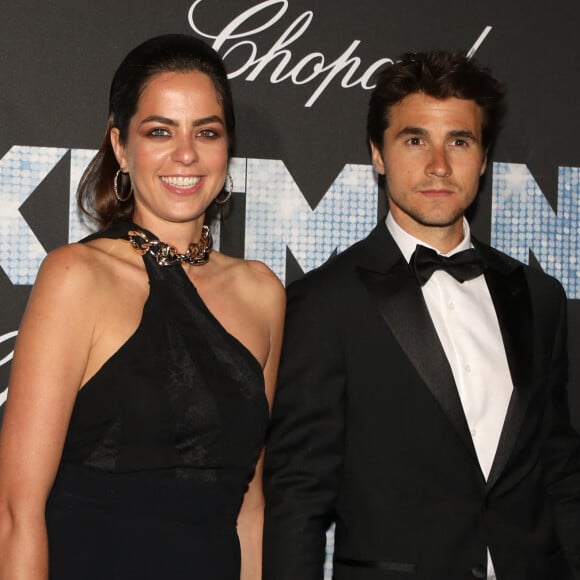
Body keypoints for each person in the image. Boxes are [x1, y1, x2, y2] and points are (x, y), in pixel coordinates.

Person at [263, 50, 580, 580]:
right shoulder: (326, 303)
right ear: (378, 155)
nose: (438, 165)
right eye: (415, 140)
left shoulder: (539, 297)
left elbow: (560, 473)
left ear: (483, 158)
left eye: (459, 140)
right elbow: (299, 495)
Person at [0, 34, 285, 580]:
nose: (186, 154)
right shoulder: (76, 277)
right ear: (121, 147)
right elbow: (18, 512)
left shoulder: (262, 293)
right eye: (160, 131)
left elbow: (249, 508)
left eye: (207, 131)